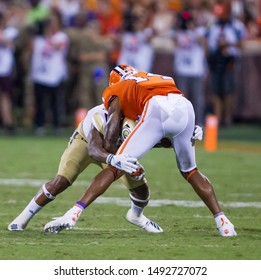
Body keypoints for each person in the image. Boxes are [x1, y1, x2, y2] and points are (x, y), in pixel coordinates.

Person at [94, 64, 236, 237]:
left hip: (156, 110)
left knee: (117, 163)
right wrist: (190, 127)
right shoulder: (150, 78)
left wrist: (111, 148)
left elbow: (119, 126)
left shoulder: (117, 89)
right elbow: (170, 114)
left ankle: (76, 210)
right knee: (191, 171)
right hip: (184, 107)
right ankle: (223, 222)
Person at [8, 104, 163, 233]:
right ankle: (22, 219)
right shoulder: (98, 116)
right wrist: (113, 159)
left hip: (116, 153)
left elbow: (157, 140)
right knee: (61, 181)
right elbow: (94, 150)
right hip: (85, 143)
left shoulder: (138, 118)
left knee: (140, 188)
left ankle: (136, 216)